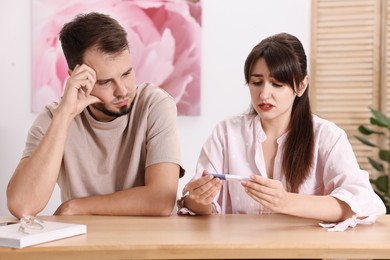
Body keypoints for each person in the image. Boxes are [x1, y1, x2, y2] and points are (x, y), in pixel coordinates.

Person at [178, 33, 385, 228]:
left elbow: (363, 202)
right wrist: (199, 199)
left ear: (302, 86)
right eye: (256, 82)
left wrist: (286, 201)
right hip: (238, 251)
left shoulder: (326, 136)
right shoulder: (227, 133)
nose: (264, 94)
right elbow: (197, 207)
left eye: (277, 84)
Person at [7, 12, 184, 218]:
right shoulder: (53, 119)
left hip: (147, 242)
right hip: (85, 243)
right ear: (76, 77)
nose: (122, 90)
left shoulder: (155, 104)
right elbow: (22, 206)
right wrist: (65, 115)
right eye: (105, 81)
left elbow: (160, 200)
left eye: (126, 74)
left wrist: (76, 207)